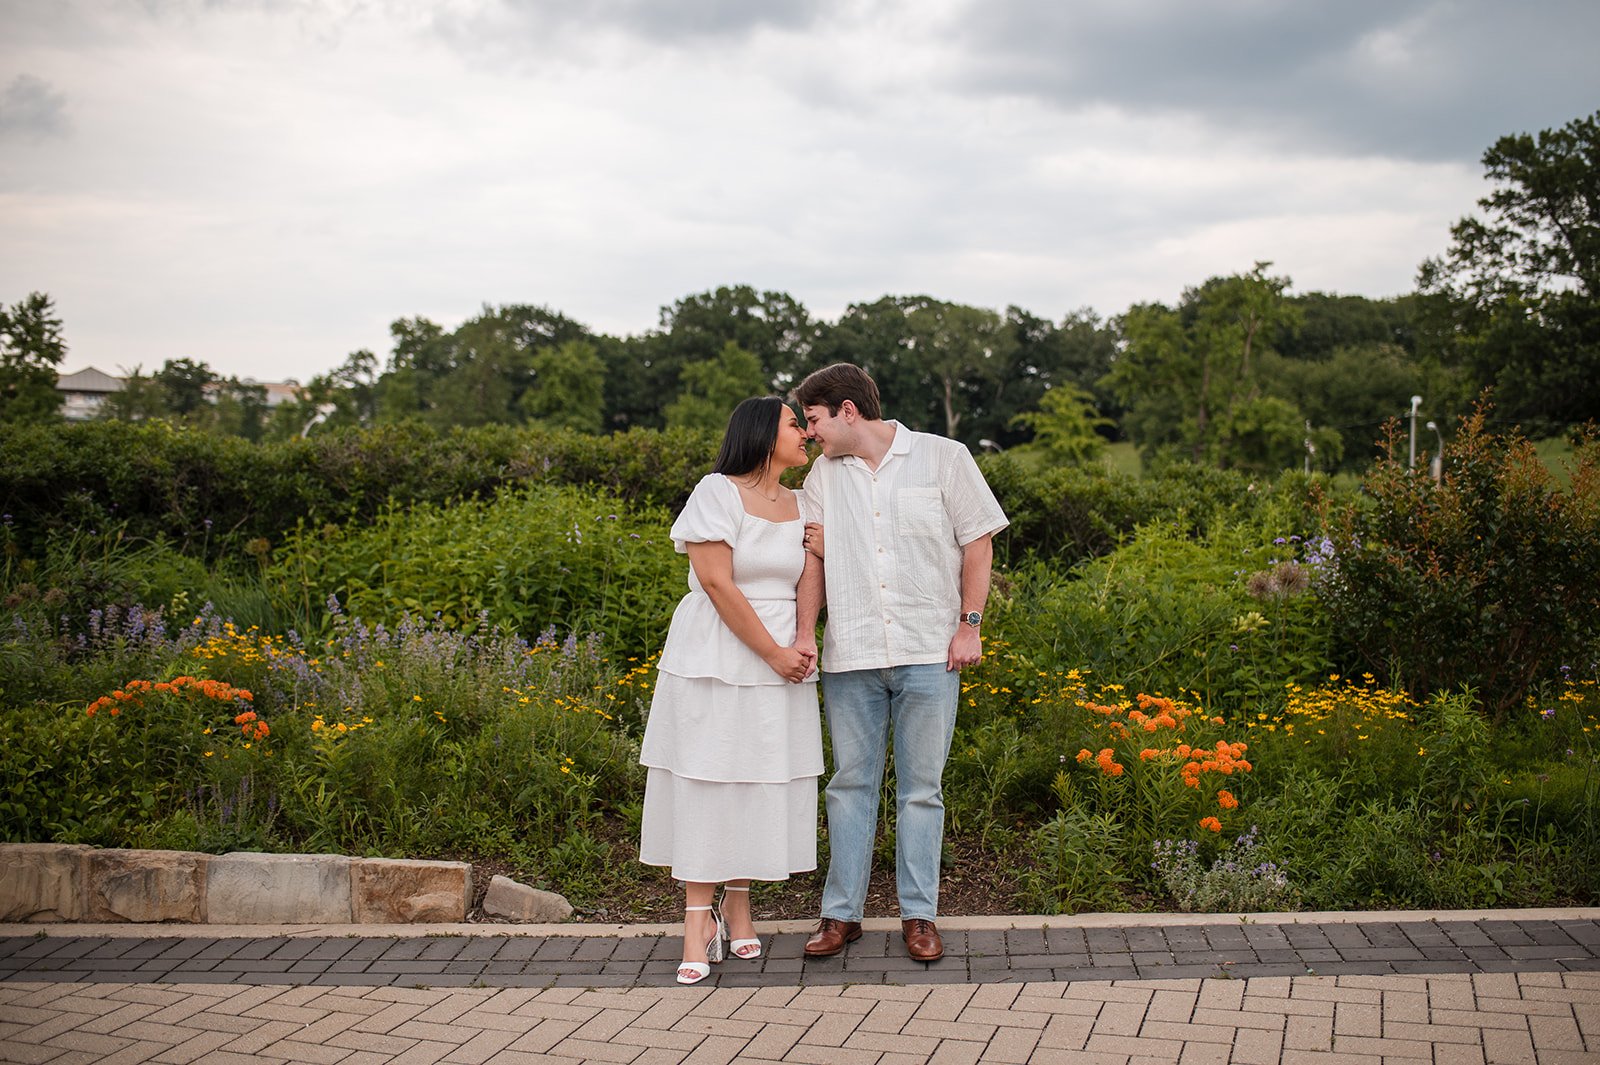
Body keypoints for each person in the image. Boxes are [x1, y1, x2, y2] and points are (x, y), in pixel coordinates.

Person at [792, 363, 1007, 963]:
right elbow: (814, 560)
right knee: (849, 787)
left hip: (927, 653)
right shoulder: (822, 477)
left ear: (847, 410)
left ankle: (919, 916)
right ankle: (841, 917)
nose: (810, 434)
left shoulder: (944, 457)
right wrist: (805, 632)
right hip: (851, 655)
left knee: (921, 792)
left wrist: (970, 625)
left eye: (813, 420)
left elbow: (978, 541)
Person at [638, 396, 824, 985]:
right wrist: (770, 653)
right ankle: (697, 920)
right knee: (709, 776)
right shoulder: (715, 491)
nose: (806, 433)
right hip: (718, 652)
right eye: (796, 424)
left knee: (758, 777)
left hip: (783, 656)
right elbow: (716, 581)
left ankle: (739, 906)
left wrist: (801, 640)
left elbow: (812, 574)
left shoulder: (805, 501)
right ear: (763, 434)